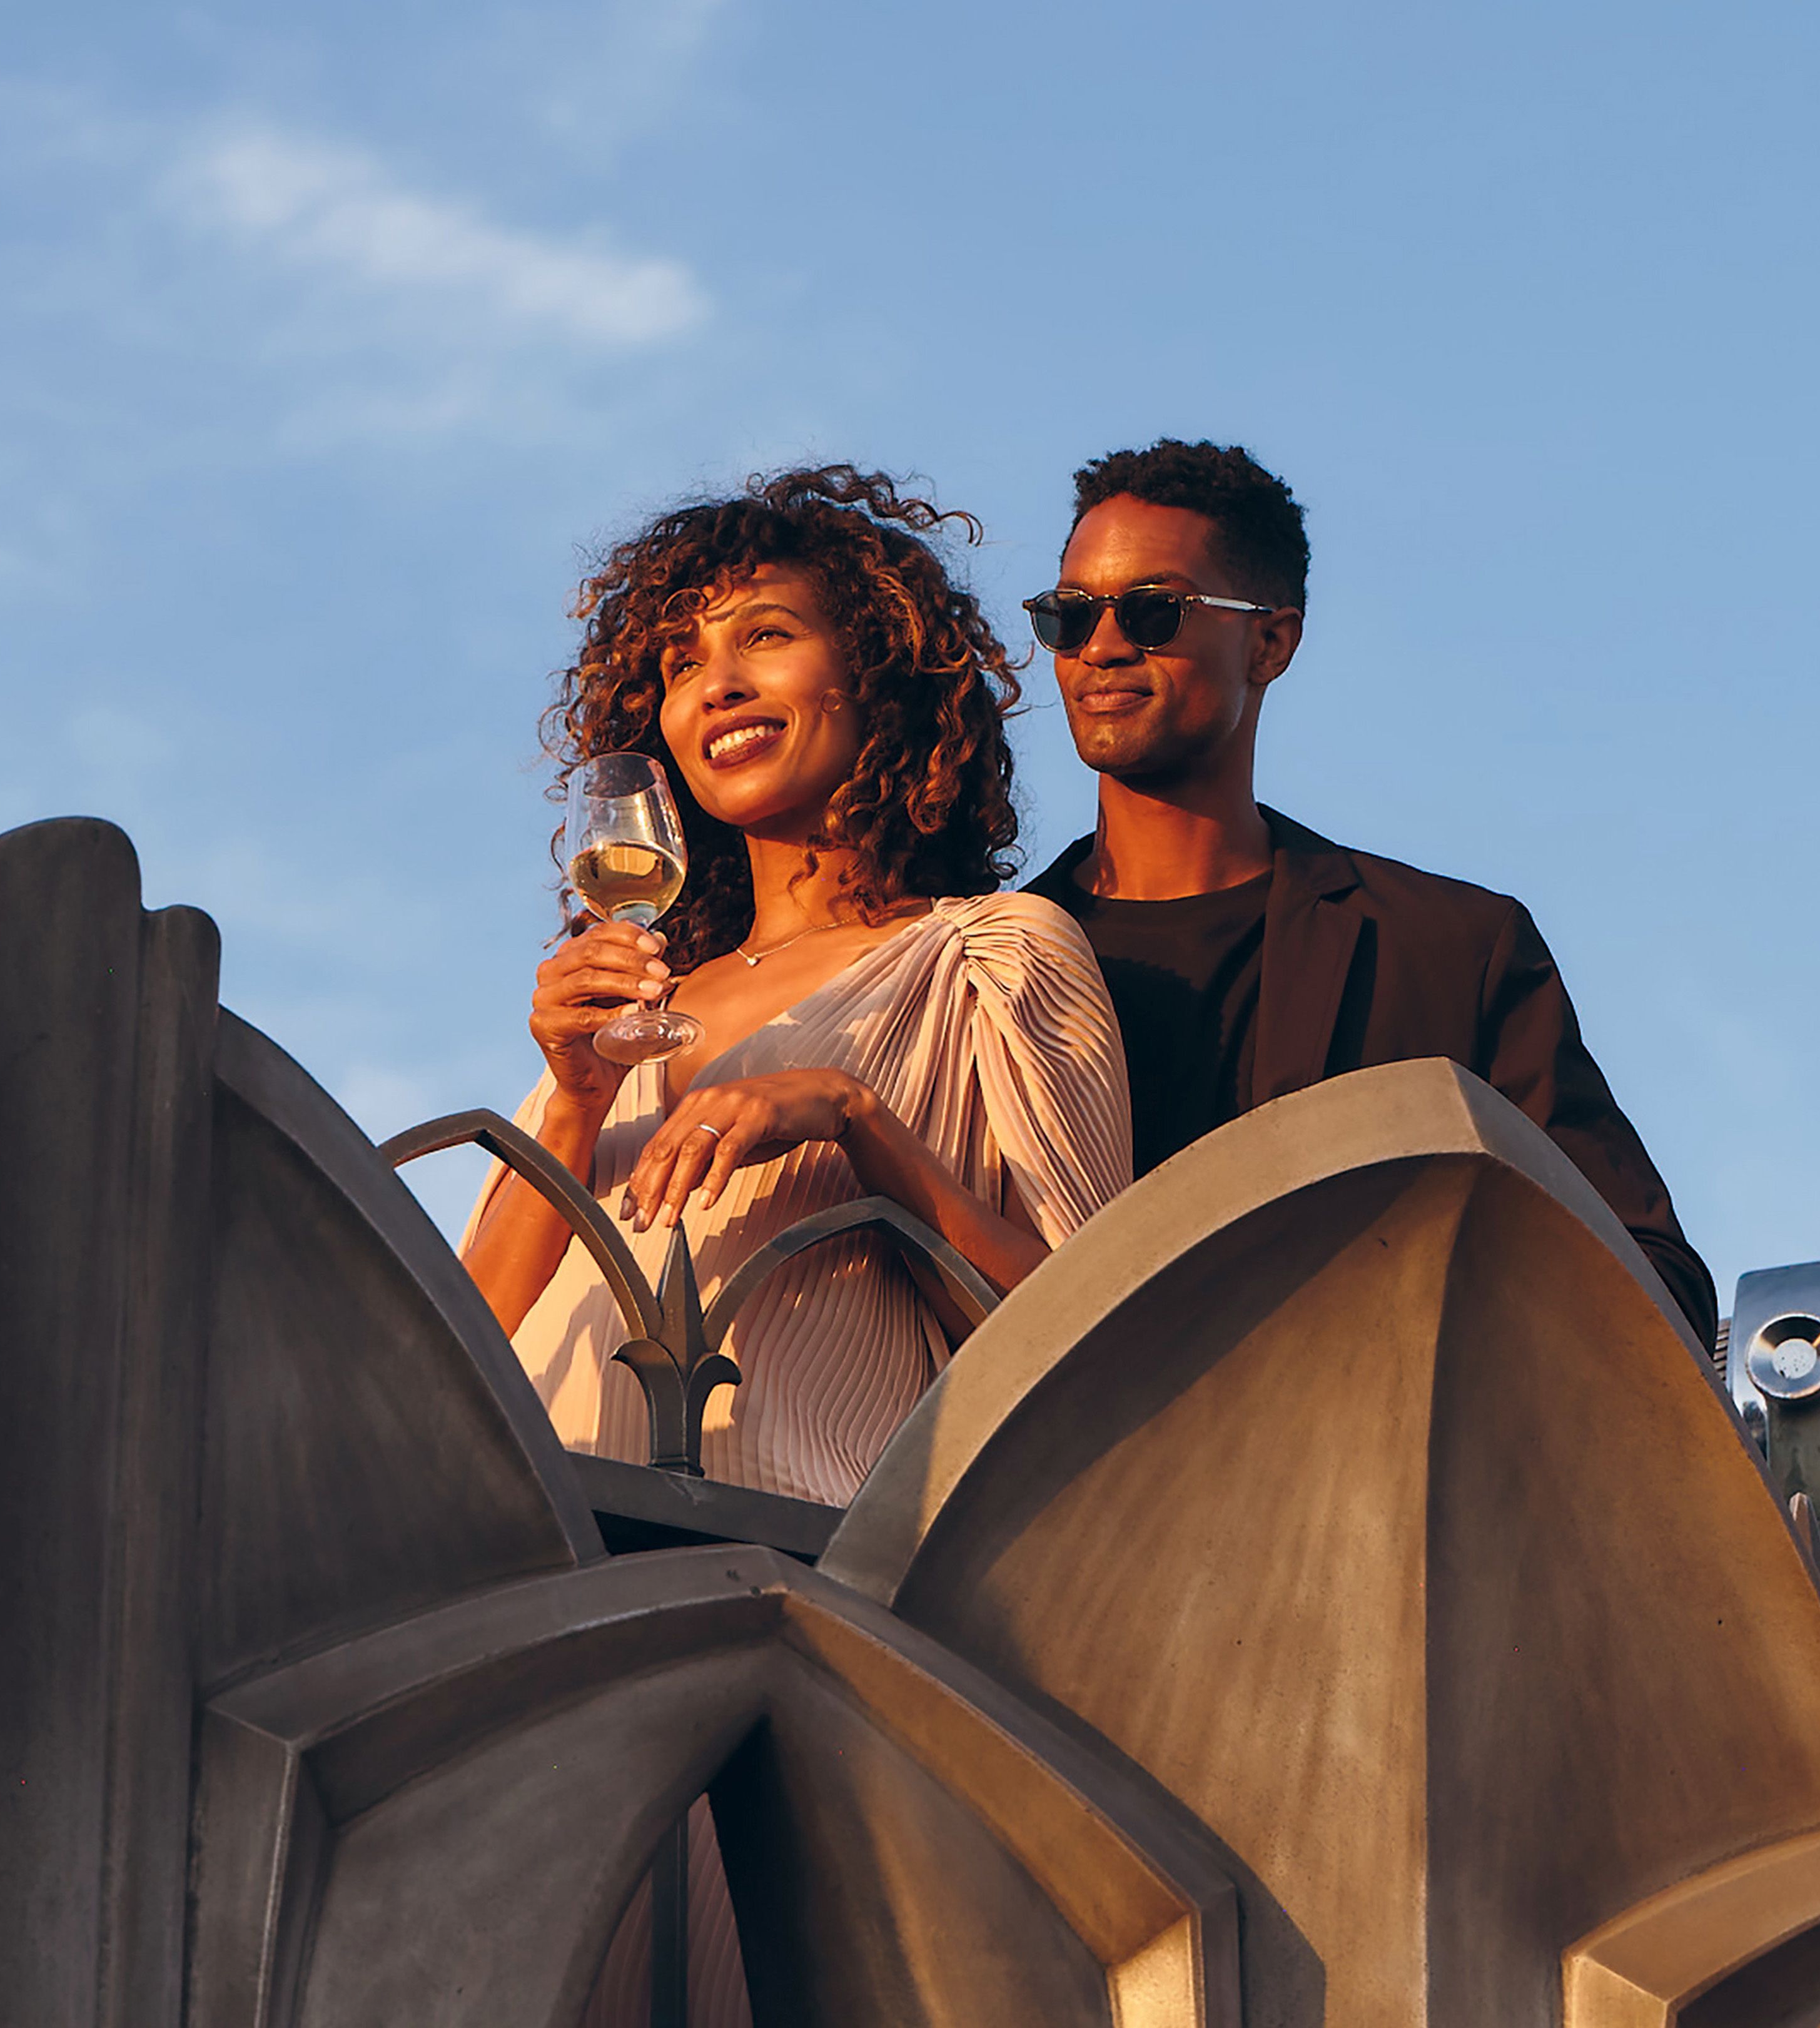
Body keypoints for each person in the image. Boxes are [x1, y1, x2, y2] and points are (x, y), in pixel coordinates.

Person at [460, 464, 1131, 2028]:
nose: (718, 681)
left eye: (764, 634)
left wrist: (857, 1121)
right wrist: (568, 1098)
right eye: (683, 658)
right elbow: (464, 1335)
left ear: (882, 678)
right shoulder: (619, 1010)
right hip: (560, 1623)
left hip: (810, 1615)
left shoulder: (984, 958)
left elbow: (1095, 1345)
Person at [1018, 440, 1720, 1348]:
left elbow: (1646, 1276)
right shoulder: (984, 964)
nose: (1102, 647)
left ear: (1270, 640)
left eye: (1153, 612)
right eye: (1069, 618)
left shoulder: (1451, 948)